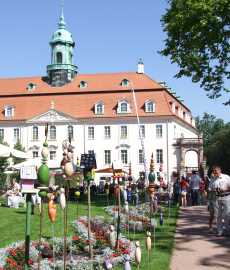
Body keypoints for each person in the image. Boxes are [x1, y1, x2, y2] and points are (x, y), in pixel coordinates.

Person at [209, 165, 230, 237]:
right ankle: (220, 230)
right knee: (218, 215)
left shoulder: (226, 177)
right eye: (213, 171)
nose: (214, 172)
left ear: (220, 170)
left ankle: (227, 229)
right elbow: (210, 190)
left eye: (215, 171)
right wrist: (213, 191)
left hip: (226, 196)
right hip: (217, 197)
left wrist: (225, 190)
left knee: (227, 214)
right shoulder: (212, 180)